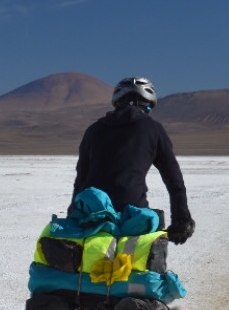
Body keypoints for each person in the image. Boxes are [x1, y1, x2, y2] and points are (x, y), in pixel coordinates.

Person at [74, 76, 194, 244]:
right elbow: (174, 180)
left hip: (92, 214)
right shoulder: (153, 129)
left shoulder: (93, 130)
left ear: (117, 101)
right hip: (133, 213)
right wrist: (181, 221)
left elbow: (81, 179)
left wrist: (74, 213)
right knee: (136, 264)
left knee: (91, 264)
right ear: (148, 104)